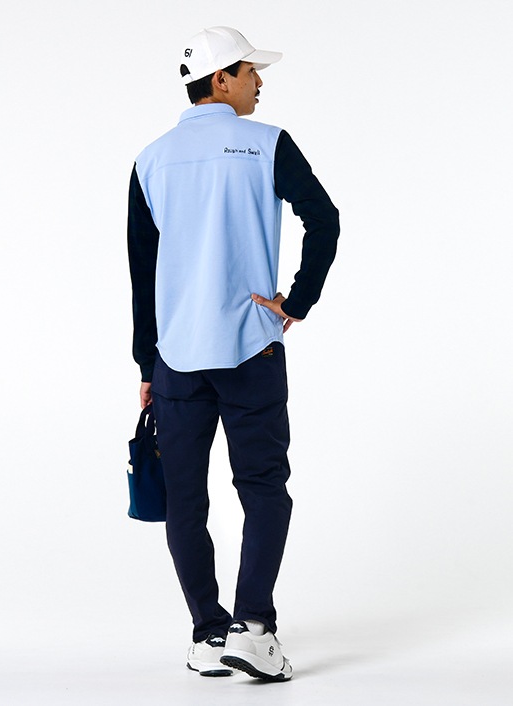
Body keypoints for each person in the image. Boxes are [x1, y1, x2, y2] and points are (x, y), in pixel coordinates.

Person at [127, 26, 340, 681]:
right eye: (250, 71)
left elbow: (142, 272)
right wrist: (296, 302)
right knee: (264, 490)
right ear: (221, 80)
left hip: (176, 359)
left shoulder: (151, 160)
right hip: (251, 348)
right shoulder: (267, 143)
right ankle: (253, 630)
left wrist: (145, 365)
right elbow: (325, 219)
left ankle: (207, 633)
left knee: (185, 501)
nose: (259, 82)